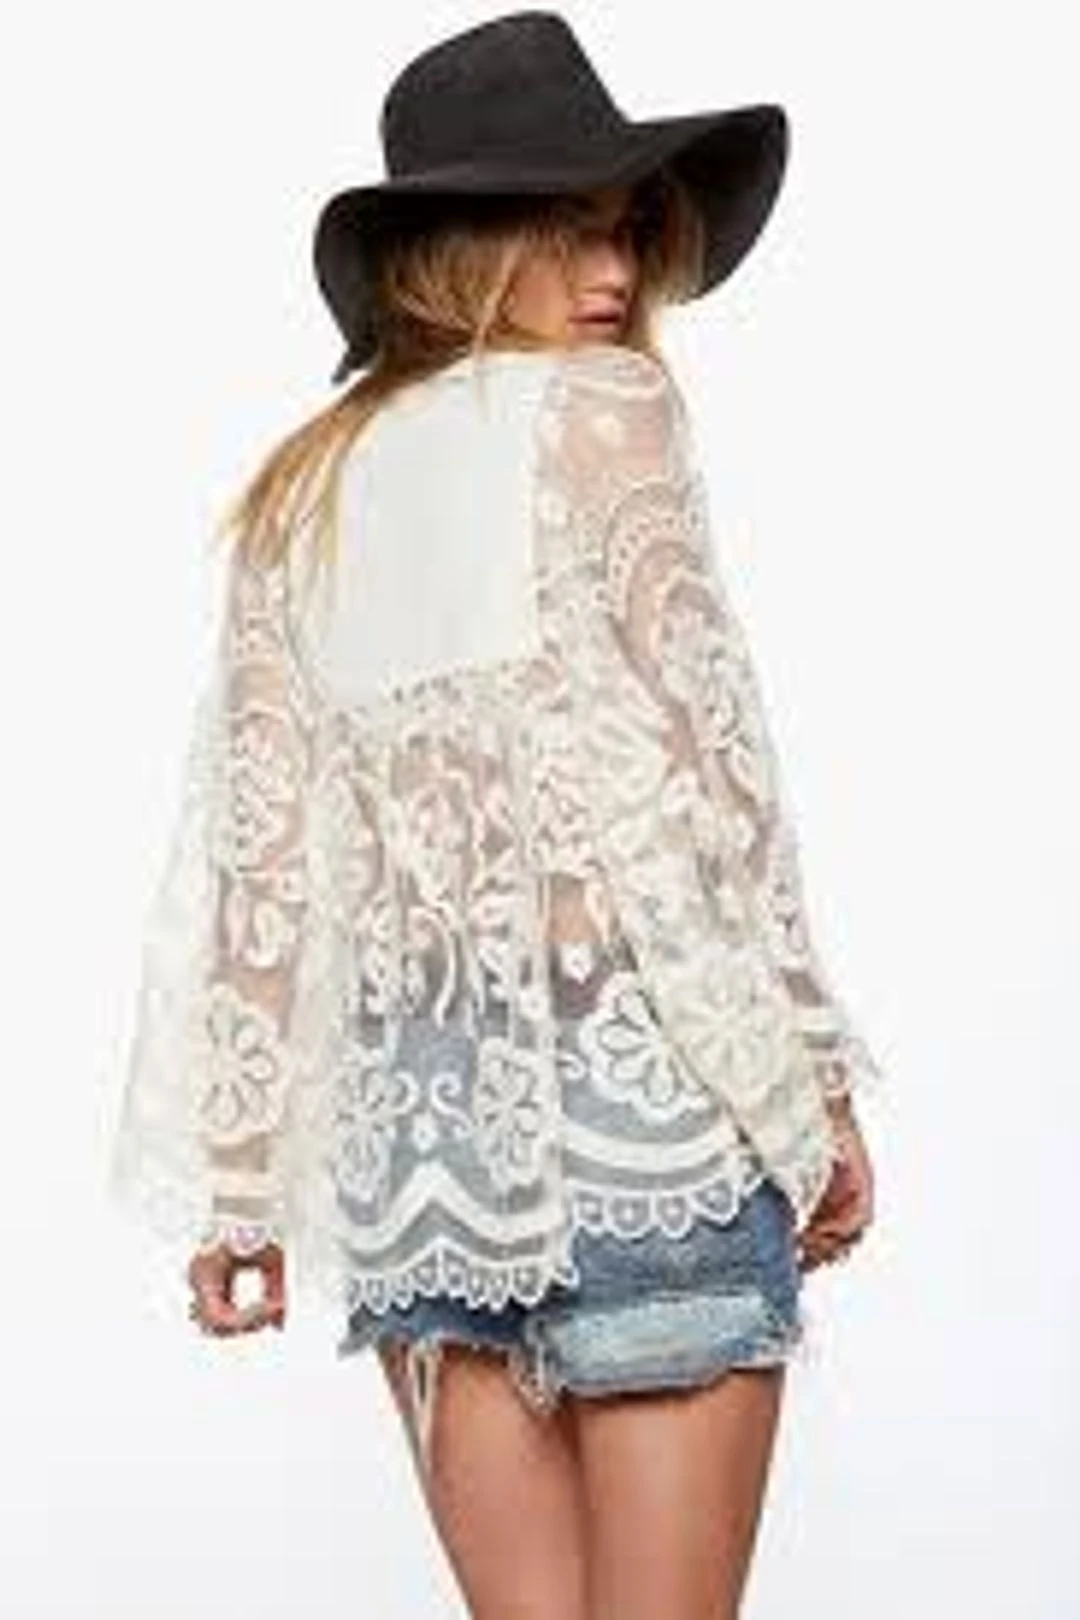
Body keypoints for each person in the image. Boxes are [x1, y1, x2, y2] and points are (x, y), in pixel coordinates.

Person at [110, 13, 882, 1618]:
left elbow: (262, 855)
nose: (613, 270)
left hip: (422, 1155)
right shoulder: (605, 411)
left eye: (627, 228)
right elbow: (710, 767)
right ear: (457, 246)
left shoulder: (302, 495)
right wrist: (808, 1080)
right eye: (566, 226)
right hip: (649, 1106)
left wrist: (243, 1184)